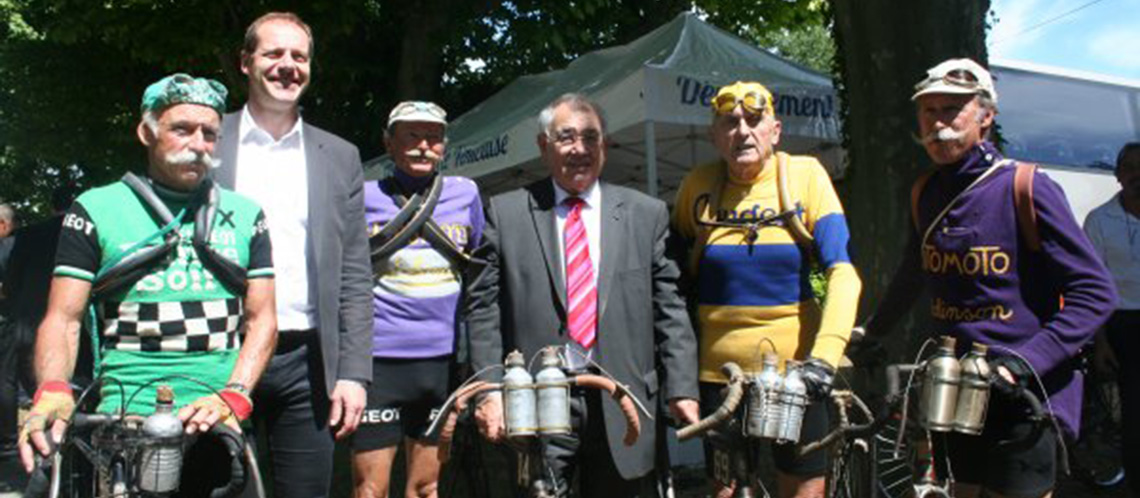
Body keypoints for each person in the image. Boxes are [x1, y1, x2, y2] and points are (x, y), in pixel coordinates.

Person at [863, 58, 1116, 498]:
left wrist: (1025, 362)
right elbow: (912, 272)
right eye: (929, 111)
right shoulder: (926, 191)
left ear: (986, 116)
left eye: (952, 109)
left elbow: (1095, 292)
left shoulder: (1027, 188)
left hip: (1023, 397)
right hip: (956, 392)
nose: (939, 122)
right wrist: (872, 331)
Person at [16, 74, 278, 492]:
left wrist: (236, 395)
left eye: (209, 133)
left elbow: (262, 319)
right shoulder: (97, 208)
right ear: (146, 131)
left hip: (218, 424)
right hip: (122, 422)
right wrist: (52, 388)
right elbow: (63, 318)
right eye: (181, 129)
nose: (198, 143)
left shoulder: (247, 214)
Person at [467, 93, 699, 497]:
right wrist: (489, 391)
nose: (580, 149)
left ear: (605, 146)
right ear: (543, 146)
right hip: (535, 405)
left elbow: (671, 310)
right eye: (567, 137)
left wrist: (682, 388)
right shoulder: (506, 214)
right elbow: (482, 310)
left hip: (623, 401)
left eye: (591, 138)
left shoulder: (647, 215)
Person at [670, 81, 862, 498]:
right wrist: (677, 376)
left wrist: (824, 361)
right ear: (714, 134)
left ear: (775, 131)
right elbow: (671, 283)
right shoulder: (698, 186)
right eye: (730, 122)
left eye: (755, 121)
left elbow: (843, 273)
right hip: (718, 380)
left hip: (799, 377)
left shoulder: (805, 177)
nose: (743, 131)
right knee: (725, 490)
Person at [213, 11, 372, 497]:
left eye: (299, 56)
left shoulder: (339, 156)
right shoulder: (209, 140)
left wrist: (354, 373)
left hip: (307, 362)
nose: (288, 66)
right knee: (222, 489)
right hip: (221, 353)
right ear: (245, 63)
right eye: (274, 53)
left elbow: (354, 272)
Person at [350, 101, 484, 498]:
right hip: (378, 363)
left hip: (441, 363)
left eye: (433, 137)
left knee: (426, 488)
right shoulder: (363, 195)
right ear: (388, 143)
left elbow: (479, 271)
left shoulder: (467, 194)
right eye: (411, 135)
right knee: (370, 491)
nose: (423, 145)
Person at [1083, 141, 1140, 496]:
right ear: (1119, 176)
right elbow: (1092, 286)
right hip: (1123, 327)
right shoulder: (1099, 220)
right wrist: (1101, 341)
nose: (1138, 175)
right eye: (1130, 168)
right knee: (1135, 419)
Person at [0, 188, 75, 459]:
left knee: (7, 379)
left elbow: (10, 280)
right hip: (65, 321)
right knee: (62, 381)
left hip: (23, 318)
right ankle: (62, 438)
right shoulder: (83, 234)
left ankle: (9, 439)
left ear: (52, 205)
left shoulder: (29, 235)